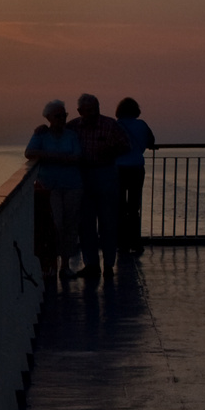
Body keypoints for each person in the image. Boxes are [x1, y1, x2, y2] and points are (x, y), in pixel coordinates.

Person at [66, 93, 130, 280]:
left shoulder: (110, 125)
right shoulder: (73, 127)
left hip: (106, 174)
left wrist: (109, 154)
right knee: (85, 224)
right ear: (80, 111)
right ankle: (91, 265)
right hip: (82, 176)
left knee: (108, 222)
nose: (92, 114)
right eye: (88, 111)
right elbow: (57, 134)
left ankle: (109, 264)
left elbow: (126, 146)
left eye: (95, 109)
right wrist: (42, 129)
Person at [26, 100, 83, 281]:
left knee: (70, 225)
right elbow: (29, 152)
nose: (62, 119)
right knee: (56, 225)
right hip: (50, 187)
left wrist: (49, 157)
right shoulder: (41, 134)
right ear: (49, 118)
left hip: (72, 185)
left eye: (64, 115)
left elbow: (77, 156)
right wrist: (57, 156)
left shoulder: (71, 135)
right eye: (58, 116)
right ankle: (52, 264)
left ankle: (65, 266)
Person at [113, 98, 158, 256]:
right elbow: (151, 142)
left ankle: (121, 243)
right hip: (137, 168)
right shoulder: (142, 125)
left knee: (119, 207)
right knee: (133, 207)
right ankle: (136, 242)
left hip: (118, 169)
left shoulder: (116, 125)